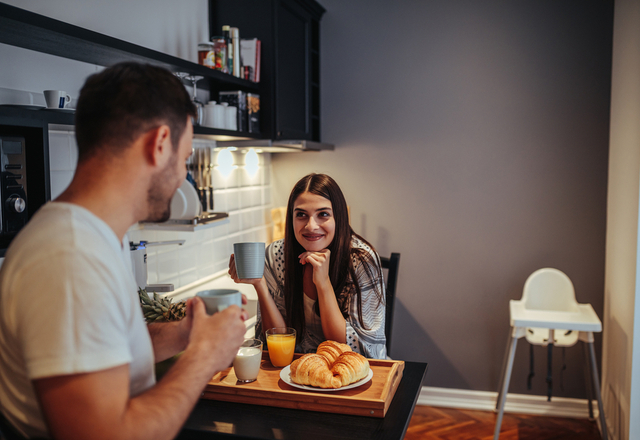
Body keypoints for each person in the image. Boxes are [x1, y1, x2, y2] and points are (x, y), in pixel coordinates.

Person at [0, 62, 248, 440]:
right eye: (183, 159)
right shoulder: (69, 256)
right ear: (159, 143)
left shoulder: (94, 238)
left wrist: (185, 334)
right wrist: (203, 357)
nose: (183, 175)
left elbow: (108, 348)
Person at [229, 173, 387, 359]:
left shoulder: (362, 261)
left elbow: (351, 349)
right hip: (296, 369)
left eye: (323, 214)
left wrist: (323, 282)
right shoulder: (275, 255)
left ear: (339, 218)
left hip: (353, 372)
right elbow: (278, 339)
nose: (311, 226)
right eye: (301, 215)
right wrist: (259, 284)